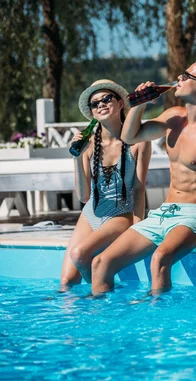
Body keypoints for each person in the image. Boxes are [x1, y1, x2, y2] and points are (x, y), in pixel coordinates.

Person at [90, 59, 196, 295]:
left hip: (194, 215)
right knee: (101, 263)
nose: (178, 79)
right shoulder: (173, 117)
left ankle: (161, 326)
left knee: (159, 259)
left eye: (186, 76)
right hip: (163, 212)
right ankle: (106, 327)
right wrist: (141, 103)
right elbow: (129, 137)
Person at [60, 79, 152, 289]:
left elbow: (138, 189)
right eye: (95, 103)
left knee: (80, 254)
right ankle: (103, 292)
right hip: (91, 212)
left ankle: (104, 301)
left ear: (120, 104)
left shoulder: (139, 141)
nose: (100, 104)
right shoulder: (89, 144)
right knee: (66, 283)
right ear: (92, 112)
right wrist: (77, 156)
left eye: (106, 98)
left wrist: (137, 227)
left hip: (121, 213)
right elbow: (84, 197)